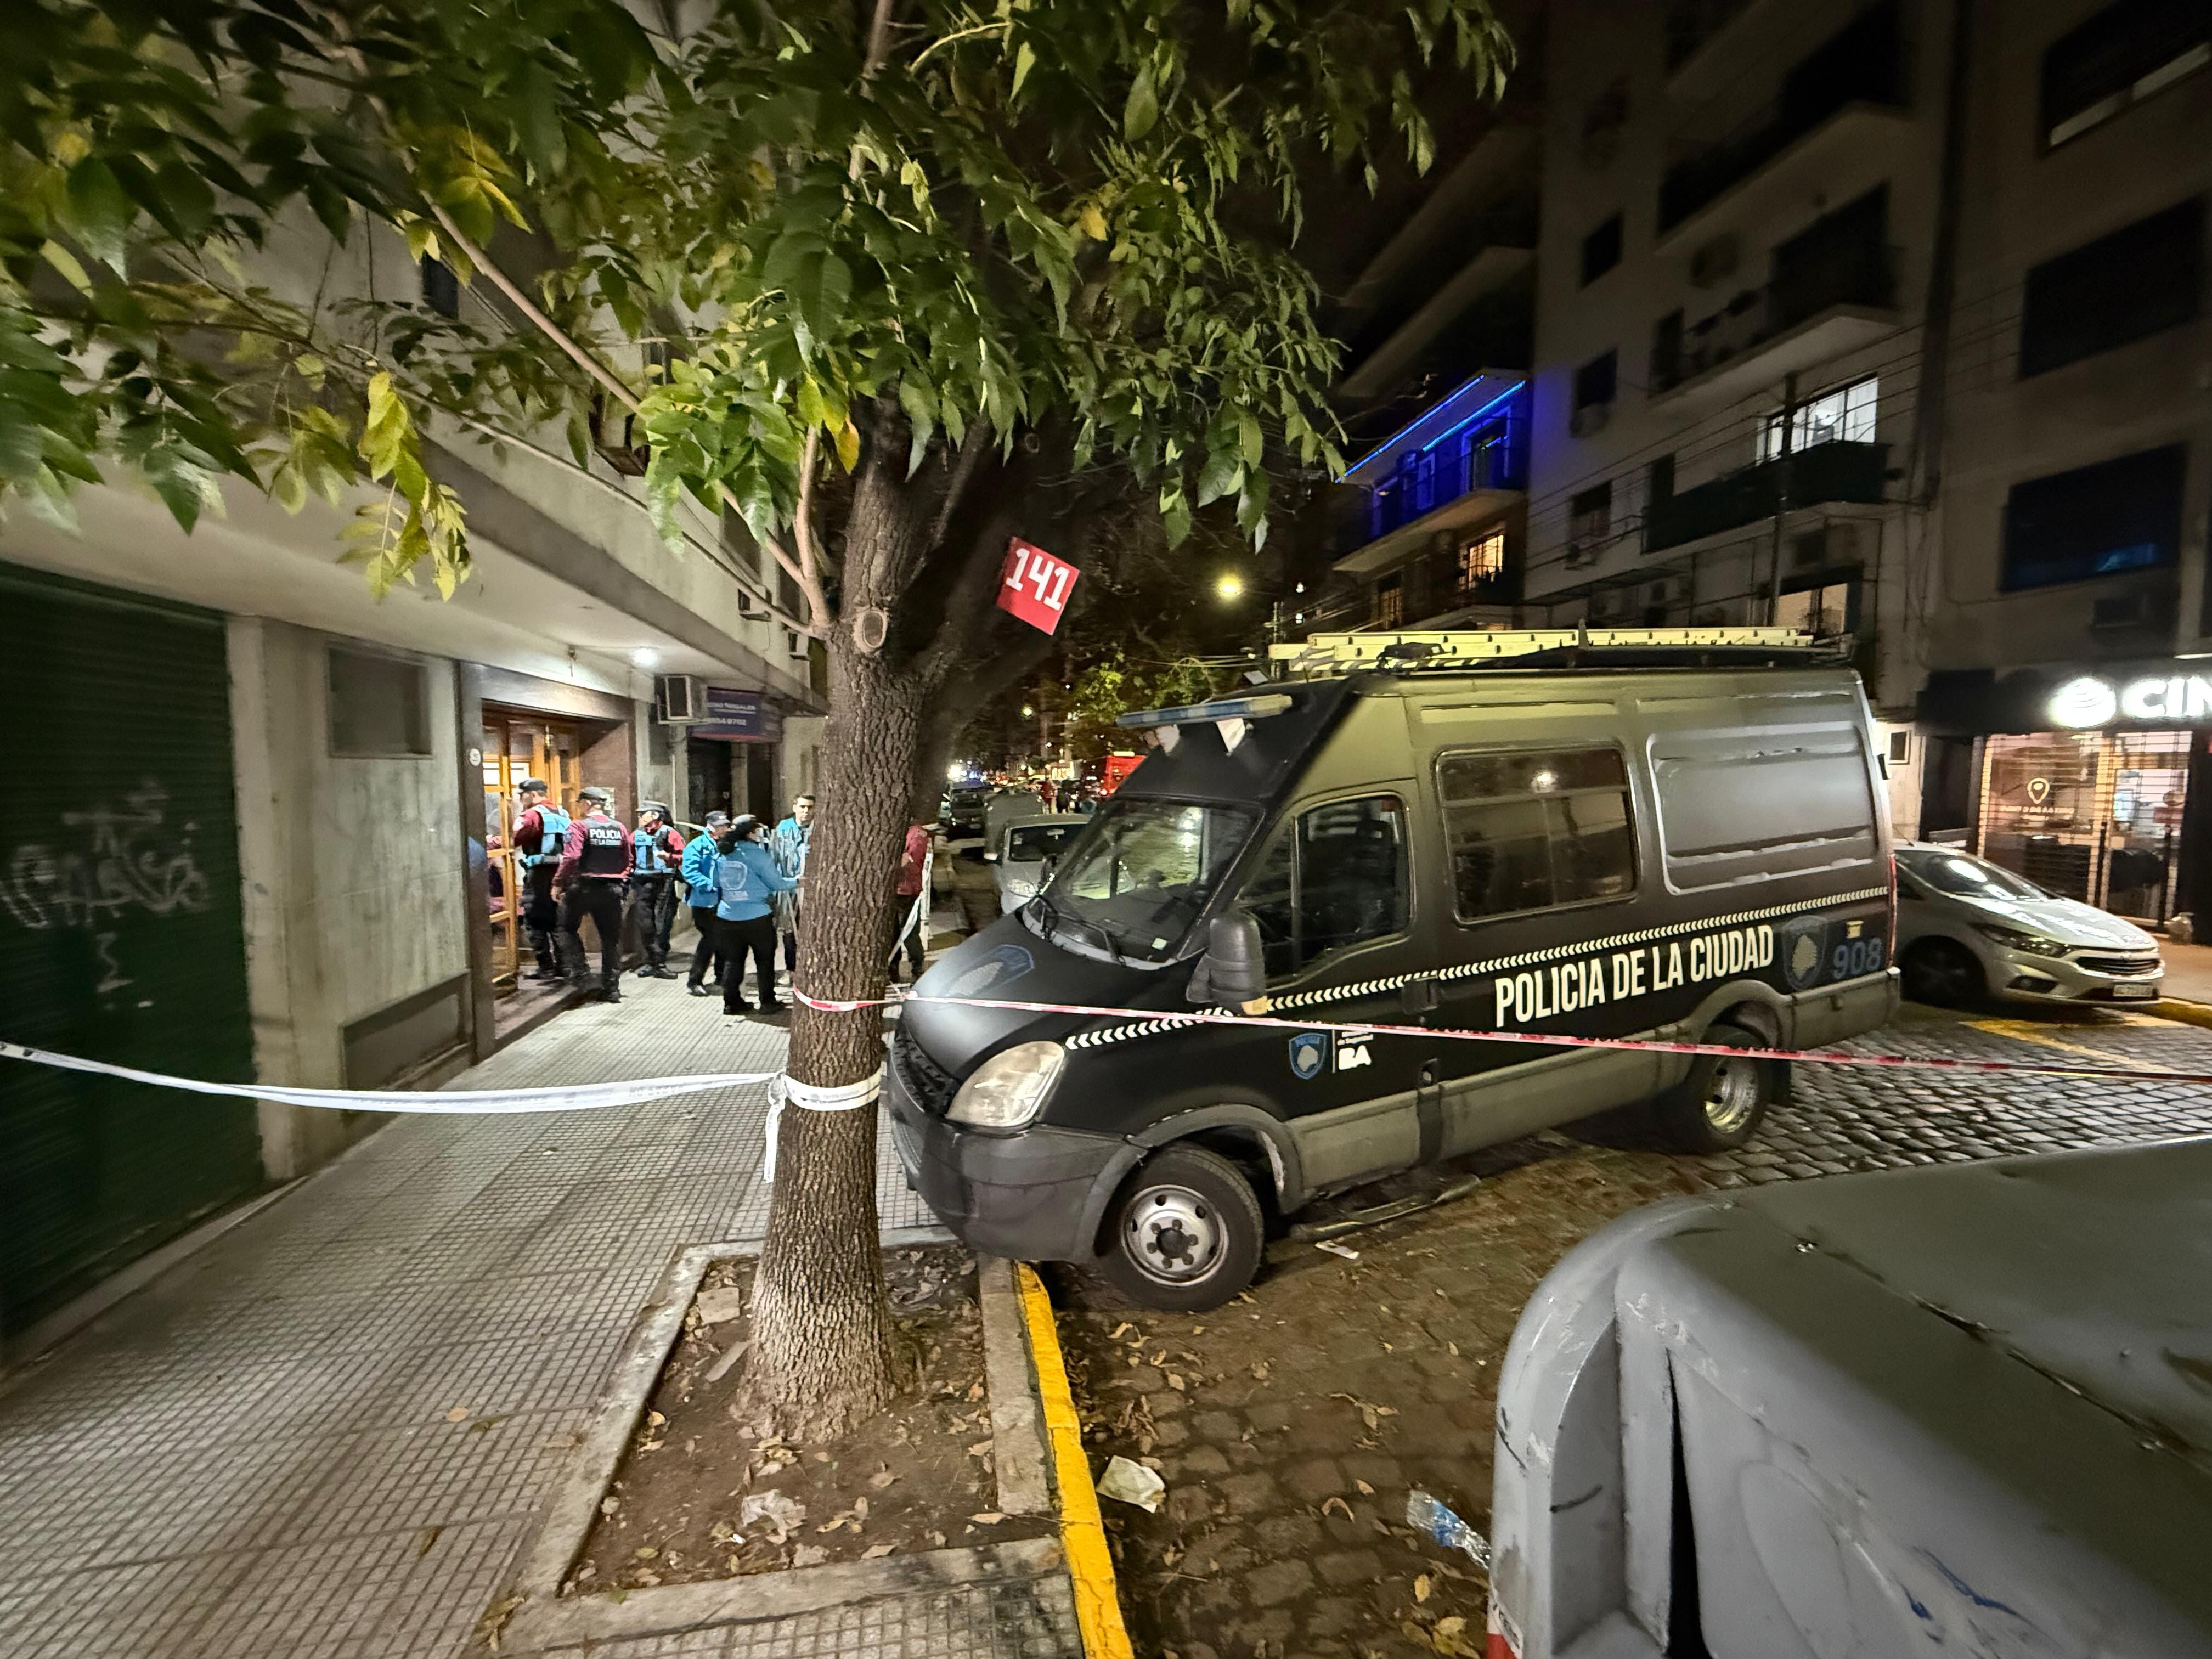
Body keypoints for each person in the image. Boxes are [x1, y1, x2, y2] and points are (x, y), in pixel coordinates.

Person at [714, 814, 797, 1015]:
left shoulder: (723, 854)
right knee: (764, 960)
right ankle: (767, 1002)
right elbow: (777, 884)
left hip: (728, 916)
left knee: (733, 961)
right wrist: (798, 882)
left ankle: (732, 1003)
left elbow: (715, 882)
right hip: (757, 917)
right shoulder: (757, 855)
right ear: (751, 833)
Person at [553, 785, 629, 1002]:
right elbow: (628, 858)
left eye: (580, 804)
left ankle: (582, 975)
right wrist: (620, 879)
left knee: (565, 928)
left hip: (585, 886)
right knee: (611, 939)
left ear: (587, 804)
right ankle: (612, 989)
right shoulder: (619, 828)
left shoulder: (579, 826)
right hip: (613, 888)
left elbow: (571, 857)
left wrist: (559, 883)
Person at [512, 778, 569, 980]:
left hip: (539, 875)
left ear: (533, 794)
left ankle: (546, 968)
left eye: (523, 794)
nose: (521, 798)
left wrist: (491, 841)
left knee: (534, 919)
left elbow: (514, 839)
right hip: (561, 874)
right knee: (558, 920)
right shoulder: (563, 813)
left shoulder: (532, 815)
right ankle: (564, 966)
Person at [625, 801, 686, 979]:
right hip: (641, 883)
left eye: (643, 813)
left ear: (655, 815)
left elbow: (684, 855)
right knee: (645, 924)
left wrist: (669, 857)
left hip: (663, 883)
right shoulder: (636, 835)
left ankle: (659, 964)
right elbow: (629, 857)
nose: (640, 817)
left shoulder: (670, 833)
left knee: (662, 925)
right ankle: (652, 961)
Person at [681, 811, 733, 997]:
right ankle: (694, 981)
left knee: (724, 939)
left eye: (725, 826)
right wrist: (710, 886)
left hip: (724, 901)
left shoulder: (728, 845)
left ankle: (721, 977)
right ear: (710, 826)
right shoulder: (697, 846)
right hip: (703, 902)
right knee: (710, 940)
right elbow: (690, 872)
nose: (724, 829)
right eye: (720, 826)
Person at [769, 794, 814, 977]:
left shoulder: (819, 829)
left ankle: (811, 969)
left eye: (810, 807)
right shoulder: (783, 829)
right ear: (795, 807)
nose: (806, 811)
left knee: (811, 929)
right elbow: (773, 857)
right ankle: (792, 969)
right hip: (789, 888)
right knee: (789, 930)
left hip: (812, 889)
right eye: (802, 807)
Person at [887, 820, 932, 984]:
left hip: (907, 890)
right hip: (893, 890)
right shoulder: (900, 829)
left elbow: (910, 858)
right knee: (892, 932)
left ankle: (917, 967)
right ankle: (893, 969)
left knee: (908, 931)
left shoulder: (917, 834)